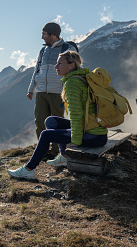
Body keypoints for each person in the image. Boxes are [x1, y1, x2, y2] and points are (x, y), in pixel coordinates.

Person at [8, 51, 108, 180]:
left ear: (71, 66)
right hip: (94, 130)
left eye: (60, 63)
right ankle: (64, 157)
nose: (56, 66)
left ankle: (28, 169)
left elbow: (76, 116)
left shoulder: (72, 84)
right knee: (51, 121)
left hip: (93, 136)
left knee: (45, 134)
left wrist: (75, 142)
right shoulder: (80, 78)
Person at [27, 22, 77, 157]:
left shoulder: (68, 48)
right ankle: (43, 150)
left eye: (44, 34)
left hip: (58, 93)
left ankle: (56, 152)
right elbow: (37, 70)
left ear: (53, 34)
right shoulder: (43, 50)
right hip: (41, 91)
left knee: (56, 123)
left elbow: (75, 69)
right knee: (40, 122)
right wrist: (31, 89)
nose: (42, 37)